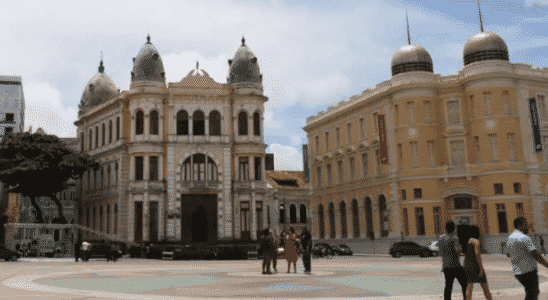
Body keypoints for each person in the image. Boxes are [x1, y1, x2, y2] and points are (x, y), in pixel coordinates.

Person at [506, 217, 548, 300]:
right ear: (520, 225)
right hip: (528, 271)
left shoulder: (510, 238)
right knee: (532, 294)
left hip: (517, 272)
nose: (528, 227)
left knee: (531, 293)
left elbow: (508, 254)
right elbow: (535, 254)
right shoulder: (524, 238)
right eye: (526, 225)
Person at [438, 221, 467, 300]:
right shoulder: (454, 237)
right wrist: (461, 248)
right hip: (455, 265)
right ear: (453, 228)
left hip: (446, 266)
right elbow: (457, 250)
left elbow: (440, 252)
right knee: (464, 284)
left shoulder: (441, 238)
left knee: (448, 286)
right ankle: (466, 298)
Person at [463, 225, 493, 300]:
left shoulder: (467, 241)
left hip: (467, 265)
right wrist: (481, 268)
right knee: (485, 287)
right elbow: (477, 255)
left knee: (469, 286)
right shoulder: (476, 241)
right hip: (475, 265)